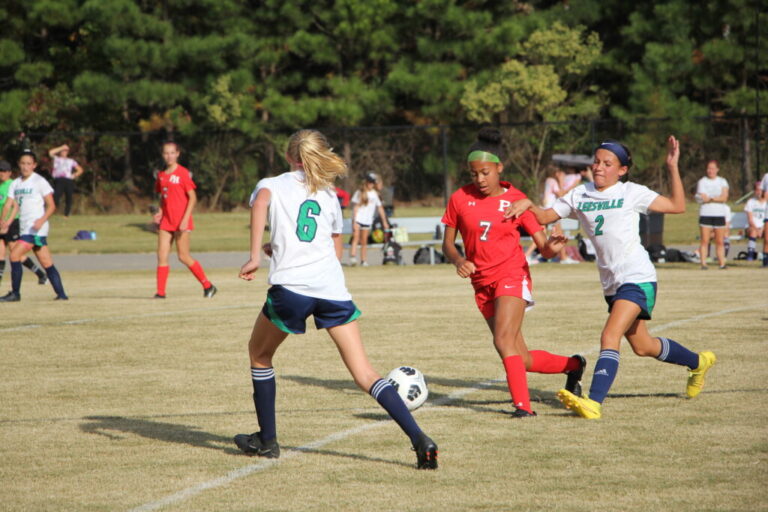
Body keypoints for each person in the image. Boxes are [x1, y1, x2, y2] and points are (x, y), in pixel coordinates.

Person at [234, 129, 438, 469]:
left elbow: (261, 203)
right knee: (365, 373)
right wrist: (282, 248)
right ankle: (419, 438)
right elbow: (330, 244)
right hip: (332, 290)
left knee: (259, 354)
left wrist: (256, 254)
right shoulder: (329, 195)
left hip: (293, 289)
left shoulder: (272, 182)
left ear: (289, 156)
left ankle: (267, 441)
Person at [506, 136, 716, 419]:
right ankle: (698, 362)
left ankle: (593, 402)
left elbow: (678, 205)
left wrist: (672, 166)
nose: (599, 167)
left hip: (637, 276)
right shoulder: (580, 194)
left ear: (622, 170)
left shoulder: (632, 192)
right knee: (643, 346)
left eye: (607, 163)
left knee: (609, 334)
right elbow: (544, 217)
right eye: (596, 161)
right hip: (611, 283)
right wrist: (528, 204)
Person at [441, 127, 587, 418]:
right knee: (521, 357)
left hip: (511, 275)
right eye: (474, 174)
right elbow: (447, 243)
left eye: (485, 172)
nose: (480, 179)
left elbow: (543, 248)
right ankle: (574, 366)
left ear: (499, 168)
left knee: (503, 340)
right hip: (481, 283)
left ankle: (523, 407)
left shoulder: (517, 200)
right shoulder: (459, 198)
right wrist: (459, 260)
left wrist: (553, 246)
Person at [0, 150, 68, 301]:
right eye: (23, 163)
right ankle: (62, 295)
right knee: (46, 262)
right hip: (26, 228)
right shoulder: (16, 183)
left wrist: (41, 220)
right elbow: (11, 205)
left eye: (29, 164)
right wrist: (5, 221)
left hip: (36, 228)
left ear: (34, 165)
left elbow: (51, 205)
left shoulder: (39, 181)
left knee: (14, 255)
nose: (25, 167)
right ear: (19, 164)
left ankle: (15, 294)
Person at [152, 141, 216, 299]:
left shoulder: (182, 173)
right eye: (166, 153)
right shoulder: (161, 175)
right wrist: (160, 212)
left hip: (181, 220)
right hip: (166, 221)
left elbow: (193, 198)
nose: (169, 156)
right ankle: (160, 293)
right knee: (162, 255)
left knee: (183, 256)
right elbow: (163, 197)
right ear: (163, 155)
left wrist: (185, 219)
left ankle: (208, 286)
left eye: (172, 153)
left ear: (178, 154)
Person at [0, 160, 48, 287]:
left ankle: (40, 274)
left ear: (10, 172)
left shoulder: (13, 184)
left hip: (12, 223)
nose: (1, 173)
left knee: (15, 253)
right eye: (0, 171)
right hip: (1, 223)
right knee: (0, 253)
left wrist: (7, 222)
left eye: (4, 171)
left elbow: (15, 207)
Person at [348, 172, 390, 266]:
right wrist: (354, 221)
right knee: (356, 237)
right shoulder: (360, 192)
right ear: (366, 182)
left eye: (373, 183)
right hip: (358, 219)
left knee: (364, 241)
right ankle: (353, 257)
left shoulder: (375, 194)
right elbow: (355, 207)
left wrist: (384, 221)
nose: (371, 184)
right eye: (370, 182)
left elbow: (380, 208)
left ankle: (363, 260)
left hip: (367, 220)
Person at [695, 160, 729, 269]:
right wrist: (715, 198)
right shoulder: (702, 181)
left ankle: (722, 263)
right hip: (706, 213)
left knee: (719, 241)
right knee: (705, 240)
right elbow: (703, 197)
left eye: (713, 168)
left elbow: (724, 197)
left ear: (717, 169)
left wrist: (712, 198)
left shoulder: (722, 181)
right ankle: (703, 264)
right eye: (709, 168)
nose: (711, 171)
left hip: (719, 214)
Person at [48, 143, 84, 217]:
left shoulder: (71, 161)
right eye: (63, 151)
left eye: (66, 151)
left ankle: (66, 214)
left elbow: (80, 169)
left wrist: (74, 175)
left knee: (69, 197)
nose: (64, 152)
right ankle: (50, 212)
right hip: (59, 179)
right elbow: (50, 152)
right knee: (56, 197)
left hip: (68, 180)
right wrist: (61, 147)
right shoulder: (56, 158)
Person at [743, 181, 766, 261]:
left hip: (763, 227)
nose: (759, 192)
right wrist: (757, 229)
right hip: (751, 227)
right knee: (753, 231)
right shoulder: (751, 202)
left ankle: (765, 255)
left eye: (760, 190)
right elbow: (750, 219)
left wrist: (762, 229)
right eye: (757, 190)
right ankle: (750, 254)